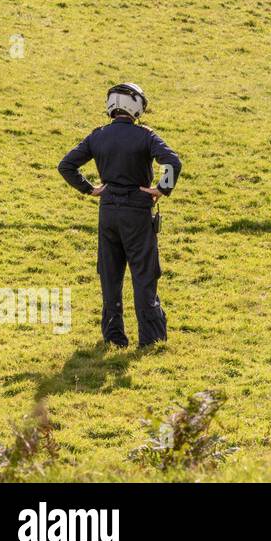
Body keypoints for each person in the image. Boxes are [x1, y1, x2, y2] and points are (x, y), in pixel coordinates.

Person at [58, 83, 182, 348]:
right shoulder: (145, 136)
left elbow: (66, 165)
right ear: (135, 106)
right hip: (137, 214)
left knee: (110, 275)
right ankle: (151, 339)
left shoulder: (97, 136)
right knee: (144, 275)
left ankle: (114, 338)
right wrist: (162, 188)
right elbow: (172, 161)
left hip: (108, 213)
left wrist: (90, 189)